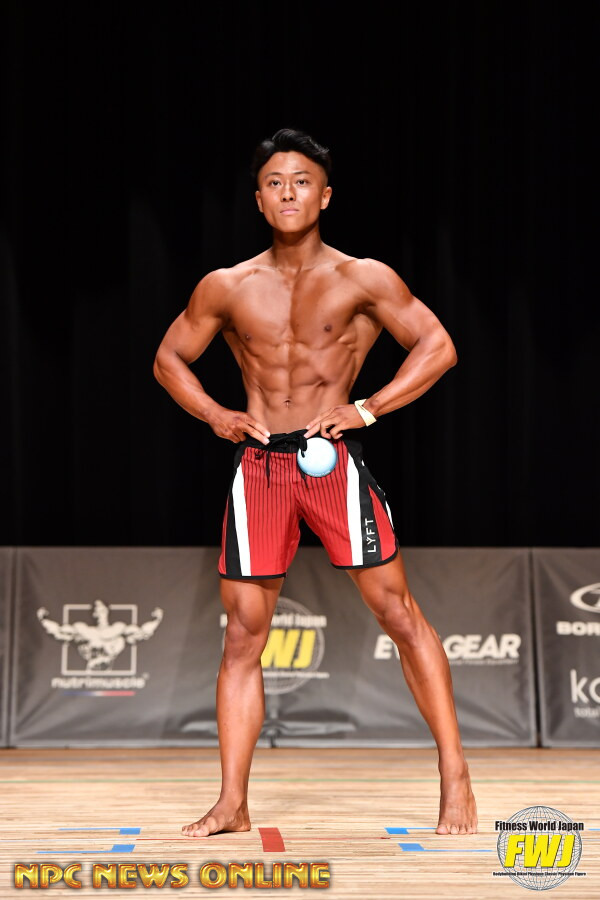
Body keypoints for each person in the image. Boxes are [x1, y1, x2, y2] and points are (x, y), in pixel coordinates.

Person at [153, 128, 478, 837]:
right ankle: (233, 802)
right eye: (275, 183)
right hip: (260, 467)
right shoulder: (226, 286)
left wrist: (369, 408)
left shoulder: (363, 278)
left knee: (398, 614)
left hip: (332, 462)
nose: (289, 192)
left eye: (302, 181)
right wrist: (215, 414)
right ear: (258, 200)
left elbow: (439, 346)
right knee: (243, 635)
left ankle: (455, 775)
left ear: (325, 196)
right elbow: (168, 358)